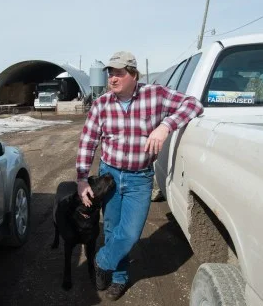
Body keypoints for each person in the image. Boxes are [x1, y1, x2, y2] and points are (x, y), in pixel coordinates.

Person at [76, 51, 204, 301]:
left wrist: (166, 126)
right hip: (109, 175)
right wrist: (82, 179)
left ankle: (102, 261)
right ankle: (119, 277)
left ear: (133, 74)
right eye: (110, 73)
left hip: (139, 178)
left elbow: (193, 104)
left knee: (131, 232)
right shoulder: (102, 104)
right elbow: (88, 142)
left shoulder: (155, 95)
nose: (112, 78)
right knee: (113, 229)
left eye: (119, 73)